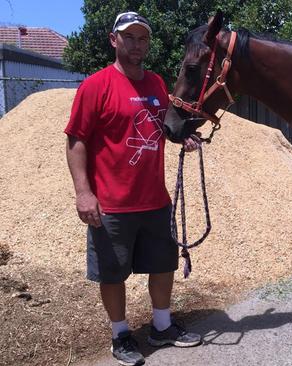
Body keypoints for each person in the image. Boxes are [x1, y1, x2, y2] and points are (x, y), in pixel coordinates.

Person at [65, 11, 201, 366]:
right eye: (129, 37)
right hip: (111, 204)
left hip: (155, 200)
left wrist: (182, 138)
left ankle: (161, 325)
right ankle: (120, 335)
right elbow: (76, 140)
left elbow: (164, 128)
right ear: (114, 40)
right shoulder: (95, 86)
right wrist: (83, 193)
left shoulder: (156, 84)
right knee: (112, 273)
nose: (136, 44)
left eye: (142, 38)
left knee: (163, 265)